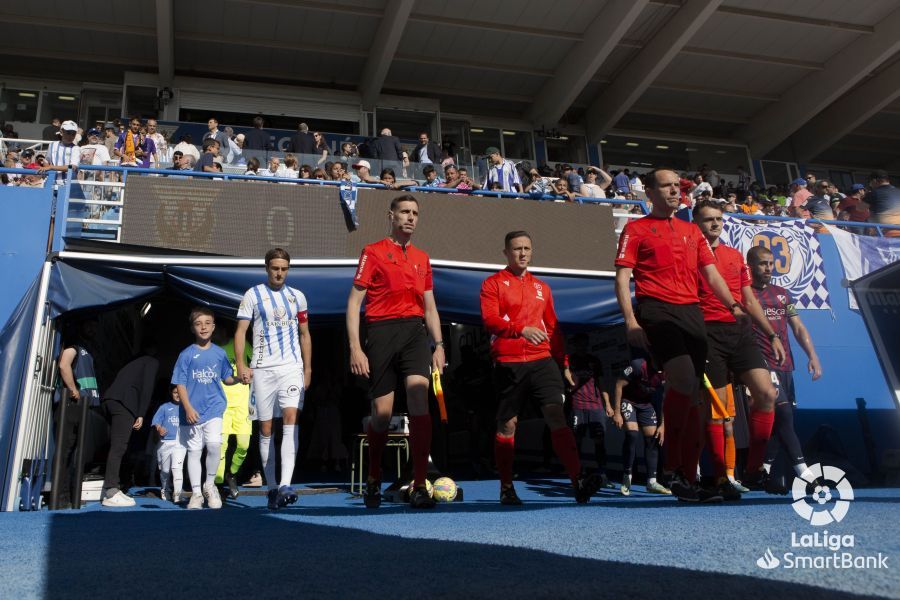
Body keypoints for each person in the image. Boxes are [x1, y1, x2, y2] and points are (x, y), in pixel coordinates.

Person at [614, 168, 751, 502]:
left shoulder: (693, 231)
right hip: (657, 310)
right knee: (686, 380)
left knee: (693, 397)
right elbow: (622, 279)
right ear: (649, 191)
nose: (675, 191)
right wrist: (631, 321)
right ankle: (672, 470)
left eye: (678, 185)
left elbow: (712, 275)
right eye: (667, 186)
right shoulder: (635, 229)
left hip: (693, 312)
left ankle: (687, 478)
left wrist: (733, 304)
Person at [480, 231, 602, 505]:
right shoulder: (492, 284)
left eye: (527, 248)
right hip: (508, 362)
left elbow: (554, 329)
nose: (522, 253)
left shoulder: (542, 288)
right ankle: (506, 487)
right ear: (506, 253)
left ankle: (578, 480)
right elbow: (489, 321)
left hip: (542, 360)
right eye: (516, 249)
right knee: (508, 424)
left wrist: (564, 364)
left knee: (556, 416)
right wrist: (519, 330)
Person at [346, 195, 446, 509]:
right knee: (382, 414)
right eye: (404, 212)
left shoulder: (422, 257)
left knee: (419, 398)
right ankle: (374, 477)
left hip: (415, 333)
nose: (410, 217)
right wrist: (355, 348)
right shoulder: (372, 252)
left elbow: (430, 306)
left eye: (415, 213)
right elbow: (353, 304)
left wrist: (439, 344)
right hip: (380, 332)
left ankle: (419, 484)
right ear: (391, 215)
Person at [693, 200, 785, 500]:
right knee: (718, 412)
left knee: (767, 394)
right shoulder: (689, 253)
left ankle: (754, 469)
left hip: (741, 333)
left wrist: (771, 334)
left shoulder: (734, 255)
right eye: (708, 219)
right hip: (708, 333)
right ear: (696, 222)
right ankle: (720, 477)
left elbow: (749, 298)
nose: (715, 224)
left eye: (719, 218)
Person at [235, 249, 312, 510]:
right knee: (266, 429)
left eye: (284, 269)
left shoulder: (297, 297)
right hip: (262, 370)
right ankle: (271, 487)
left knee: (291, 418)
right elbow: (241, 331)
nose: (279, 273)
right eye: (275, 268)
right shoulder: (252, 295)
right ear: (267, 268)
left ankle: (286, 484)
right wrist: (242, 365)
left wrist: (308, 369)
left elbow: (304, 334)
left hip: (291, 367)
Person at [746, 245, 822, 491]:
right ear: (750, 265)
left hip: (786, 366)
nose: (768, 268)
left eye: (770, 263)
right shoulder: (744, 295)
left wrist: (812, 355)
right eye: (762, 263)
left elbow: (798, 327)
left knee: (781, 423)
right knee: (784, 416)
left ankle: (761, 472)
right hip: (760, 366)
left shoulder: (782, 294)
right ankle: (806, 476)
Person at [173, 307, 242, 510]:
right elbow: (180, 383)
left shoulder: (220, 353)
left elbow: (226, 378)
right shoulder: (186, 355)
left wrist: (238, 378)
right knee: (194, 452)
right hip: (192, 412)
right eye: (198, 323)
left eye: (207, 323)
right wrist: (187, 407)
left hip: (214, 408)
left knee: (214, 445)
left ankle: (209, 485)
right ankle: (196, 494)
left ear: (213, 326)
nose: (203, 327)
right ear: (192, 328)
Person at [99, 348, 160, 507]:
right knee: (119, 446)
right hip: (125, 403)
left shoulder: (132, 363)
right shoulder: (151, 362)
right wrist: (141, 413)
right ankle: (111, 490)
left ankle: (115, 486)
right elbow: (147, 387)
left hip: (109, 400)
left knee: (115, 445)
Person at [53, 320, 101, 509]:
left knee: (76, 453)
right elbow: (64, 365)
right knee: (66, 451)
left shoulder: (86, 350)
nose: (92, 329)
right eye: (89, 325)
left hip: (83, 406)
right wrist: (74, 390)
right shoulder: (74, 347)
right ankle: (61, 497)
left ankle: (71, 496)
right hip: (71, 405)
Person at [613, 357, 670, 495]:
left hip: (646, 404)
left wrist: (663, 424)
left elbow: (665, 399)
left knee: (653, 439)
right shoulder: (638, 365)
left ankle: (651, 482)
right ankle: (627, 476)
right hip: (629, 401)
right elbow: (619, 385)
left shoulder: (667, 372)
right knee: (632, 434)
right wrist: (617, 412)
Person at [567, 333, 615, 489]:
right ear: (574, 344)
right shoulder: (570, 360)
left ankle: (603, 475)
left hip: (595, 406)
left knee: (599, 441)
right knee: (576, 442)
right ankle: (577, 475)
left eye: (584, 342)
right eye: (579, 342)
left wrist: (608, 404)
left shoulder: (594, 361)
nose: (582, 345)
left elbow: (601, 383)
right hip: (577, 406)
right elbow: (565, 377)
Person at [216, 338, 253, 499]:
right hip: (222, 404)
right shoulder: (214, 350)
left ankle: (231, 474)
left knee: (243, 445)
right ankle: (217, 485)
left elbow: (258, 362)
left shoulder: (243, 344)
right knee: (220, 446)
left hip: (242, 405)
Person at [151, 386, 186, 503]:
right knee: (165, 471)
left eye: (179, 392)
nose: (177, 395)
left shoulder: (187, 407)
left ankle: (178, 494)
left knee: (177, 469)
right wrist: (159, 428)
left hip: (180, 443)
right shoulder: (164, 407)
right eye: (175, 392)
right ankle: (165, 489)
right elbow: (156, 421)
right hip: (165, 443)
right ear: (171, 393)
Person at [863, 170, 900, 237]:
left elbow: (859, 208)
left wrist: (865, 197)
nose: (870, 184)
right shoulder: (898, 191)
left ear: (874, 181)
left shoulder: (873, 193)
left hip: (888, 234)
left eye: (870, 182)